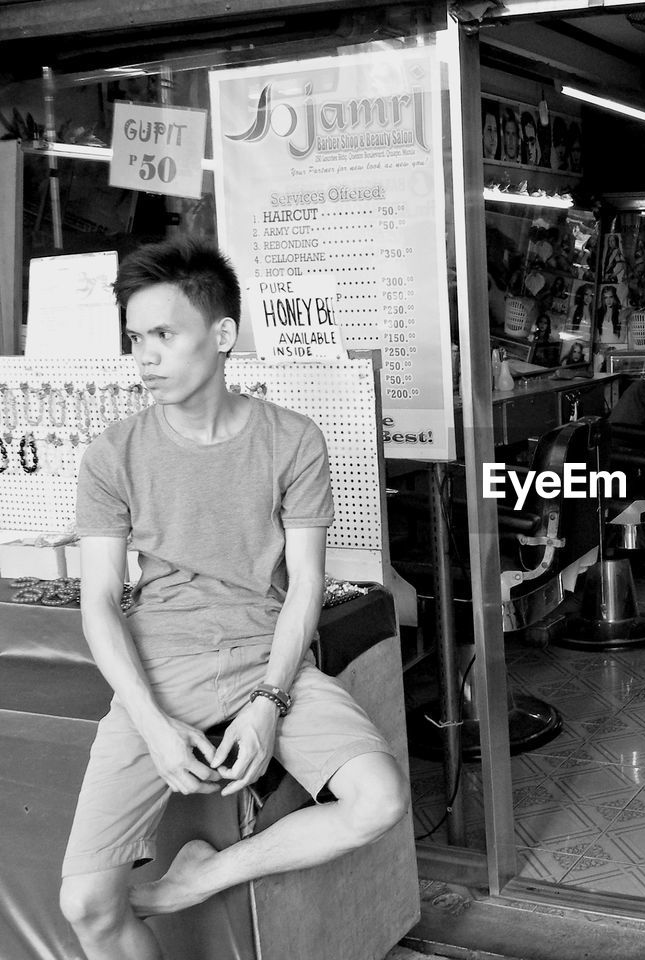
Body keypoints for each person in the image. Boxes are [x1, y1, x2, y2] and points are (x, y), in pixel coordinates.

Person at [59, 238, 409, 960]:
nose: (145, 357)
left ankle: (200, 879)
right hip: (160, 666)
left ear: (221, 336)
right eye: (136, 339)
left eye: (163, 334)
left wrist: (270, 702)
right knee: (86, 906)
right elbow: (99, 601)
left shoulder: (293, 440)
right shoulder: (112, 454)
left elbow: (305, 583)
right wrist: (153, 725)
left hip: (264, 654)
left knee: (380, 800)